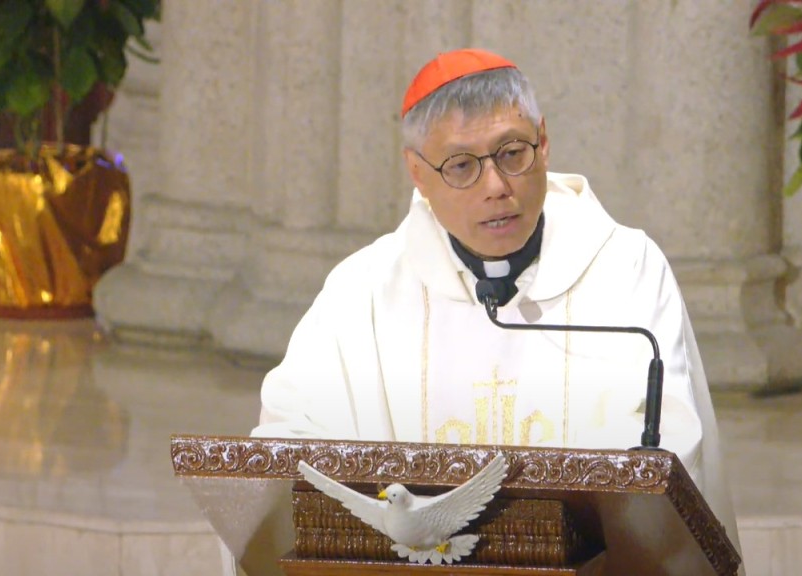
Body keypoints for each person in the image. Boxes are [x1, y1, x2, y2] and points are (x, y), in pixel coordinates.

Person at [251, 48, 741, 560]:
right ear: (417, 173)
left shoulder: (625, 269)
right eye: (462, 165)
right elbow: (289, 446)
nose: (497, 187)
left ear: (544, 142)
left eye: (512, 153)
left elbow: (670, 452)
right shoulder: (364, 292)